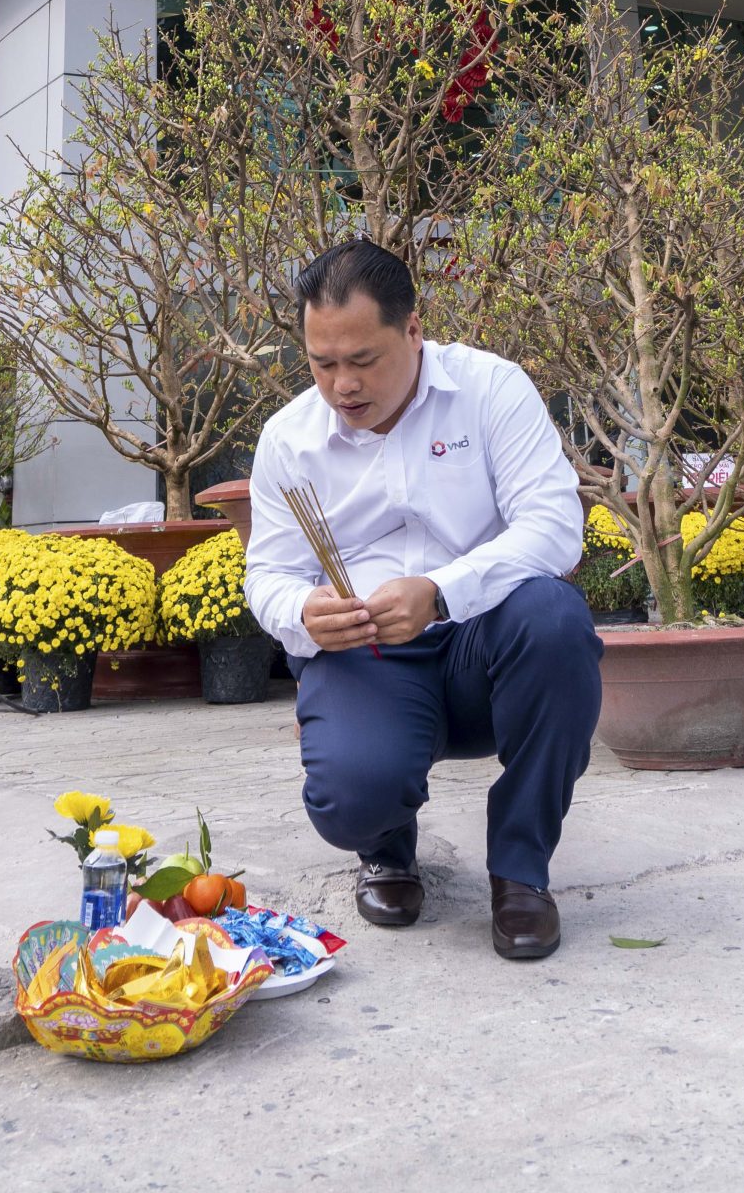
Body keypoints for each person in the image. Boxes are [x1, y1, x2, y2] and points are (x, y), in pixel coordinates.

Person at [246, 238, 601, 964]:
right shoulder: (288, 440)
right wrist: (302, 612)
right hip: (368, 655)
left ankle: (521, 872)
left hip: (484, 644)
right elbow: (269, 573)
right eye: (322, 364)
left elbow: (554, 528)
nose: (342, 385)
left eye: (362, 360)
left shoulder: (490, 389)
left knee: (555, 618)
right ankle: (384, 845)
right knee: (351, 801)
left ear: (412, 330)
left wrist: (442, 593)